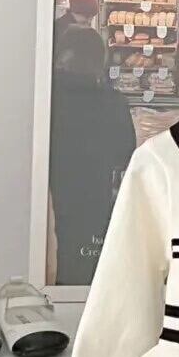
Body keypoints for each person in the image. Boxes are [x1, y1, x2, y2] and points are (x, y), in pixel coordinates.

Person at [48, 26, 136, 285]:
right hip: (93, 196)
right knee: (86, 263)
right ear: (99, 62)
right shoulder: (113, 102)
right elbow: (125, 153)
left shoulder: (46, 98)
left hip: (50, 192)